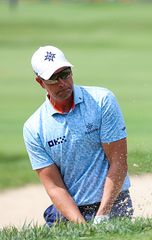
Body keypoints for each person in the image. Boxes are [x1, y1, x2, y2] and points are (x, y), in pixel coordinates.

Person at [23, 45, 133, 227]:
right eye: (53, 78)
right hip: (68, 210)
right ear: (40, 82)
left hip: (113, 204)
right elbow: (54, 186)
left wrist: (102, 215)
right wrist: (82, 227)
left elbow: (118, 161)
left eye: (65, 73)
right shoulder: (34, 127)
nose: (62, 83)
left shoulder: (101, 101)